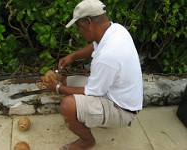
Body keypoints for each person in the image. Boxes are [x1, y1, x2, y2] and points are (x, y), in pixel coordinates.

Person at [43, 0, 143, 149]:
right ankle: (93, 118)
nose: (78, 31)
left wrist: (57, 88)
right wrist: (73, 56)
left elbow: (92, 91)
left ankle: (87, 141)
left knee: (68, 105)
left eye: (78, 26)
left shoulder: (107, 56)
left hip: (122, 109)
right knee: (68, 82)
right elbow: (95, 45)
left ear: (88, 22)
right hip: (116, 92)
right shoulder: (116, 29)